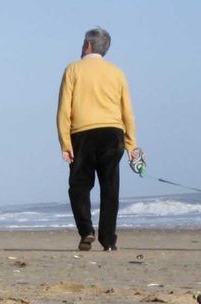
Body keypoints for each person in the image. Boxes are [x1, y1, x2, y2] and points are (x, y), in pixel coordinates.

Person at [57, 27, 138, 252]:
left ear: (88, 46)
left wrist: (65, 143)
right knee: (110, 187)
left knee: (79, 185)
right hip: (113, 133)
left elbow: (64, 109)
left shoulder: (73, 69)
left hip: (82, 133)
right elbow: (127, 111)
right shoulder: (117, 72)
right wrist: (132, 144)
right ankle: (108, 238)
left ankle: (87, 231)